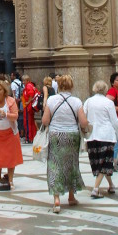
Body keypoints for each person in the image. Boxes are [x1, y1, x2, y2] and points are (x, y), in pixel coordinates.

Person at [41, 74, 88, 211]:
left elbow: (45, 121)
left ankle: (56, 199)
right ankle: (71, 197)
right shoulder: (76, 101)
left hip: (56, 135)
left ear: (59, 85)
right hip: (72, 136)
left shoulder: (51, 100)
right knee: (71, 165)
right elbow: (83, 122)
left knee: (55, 166)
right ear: (71, 86)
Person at [84, 81, 118, 199]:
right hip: (106, 136)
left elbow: (84, 117)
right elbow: (115, 121)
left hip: (92, 136)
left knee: (98, 162)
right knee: (105, 162)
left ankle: (111, 185)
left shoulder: (88, 101)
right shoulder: (108, 103)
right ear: (105, 90)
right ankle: (95, 189)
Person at [0, 80, 23, 188]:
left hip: (10, 134)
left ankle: (10, 181)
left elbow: (15, 115)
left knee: (11, 158)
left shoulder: (10, 101)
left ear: (4, 90)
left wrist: (6, 114)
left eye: (0, 89)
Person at [21, 74, 38, 143]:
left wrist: (28, 102)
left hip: (28, 107)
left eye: (24, 80)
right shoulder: (31, 86)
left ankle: (29, 138)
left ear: (27, 80)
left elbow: (31, 94)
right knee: (30, 122)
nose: (23, 82)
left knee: (27, 123)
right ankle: (32, 137)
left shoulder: (28, 86)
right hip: (29, 107)